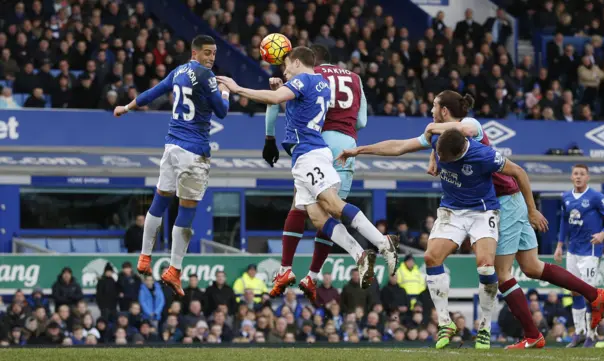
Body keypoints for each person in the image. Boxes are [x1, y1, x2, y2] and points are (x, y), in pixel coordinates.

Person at [337, 102, 548, 350]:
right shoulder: (438, 138)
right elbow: (398, 147)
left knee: (485, 267)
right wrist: (358, 150)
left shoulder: (482, 154)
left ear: (459, 154)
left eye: (444, 158)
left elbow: (520, 172)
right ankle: (445, 323)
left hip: (483, 211)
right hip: (452, 210)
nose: (439, 160)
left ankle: (484, 327)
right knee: (431, 258)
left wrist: (532, 210)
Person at [422, 91, 604, 349]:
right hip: (511, 199)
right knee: (532, 266)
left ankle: (533, 335)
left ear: (445, 111)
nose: (431, 111)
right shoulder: (450, 139)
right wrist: (433, 153)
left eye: (434, 106)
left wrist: (433, 128)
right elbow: (439, 141)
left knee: (501, 274)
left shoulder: (470, 126)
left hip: (504, 202)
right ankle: (594, 295)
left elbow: (460, 128)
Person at [216, 46, 398, 289]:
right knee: (317, 217)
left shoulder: (306, 79)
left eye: (287, 65)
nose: (285, 69)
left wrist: (236, 88)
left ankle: (383, 242)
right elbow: (356, 120)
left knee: (333, 206)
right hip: (318, 151)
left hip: (310, 153)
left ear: (297, 62)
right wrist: (280, 88)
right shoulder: (325, 82)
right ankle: (356, 256)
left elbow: (275, 99)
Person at [113, 35, 230, 296]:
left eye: (214, 53)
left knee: (161, 200)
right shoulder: (206, 76)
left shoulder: (179, 71)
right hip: (193, 152)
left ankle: (145, 256)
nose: (212, 58)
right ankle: (174, 270)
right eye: (208, 53)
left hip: (171, 147)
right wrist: (225, 92)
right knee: (187, 211)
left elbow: (153, 93)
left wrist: (127, 107)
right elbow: (222, 112)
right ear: (195, 52)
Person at [261, 43, 377, 302]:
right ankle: (312, 276)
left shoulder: (310, 78)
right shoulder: (354, 78)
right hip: (346, 146)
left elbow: (281, 103)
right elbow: (363, 122)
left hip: (316, 142)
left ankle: (287, 268)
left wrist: (270, 137)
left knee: (301, 208)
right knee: (329, 210)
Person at [556, 164, 604, 347]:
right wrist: (560, 245)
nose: (578, 177)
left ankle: (592, 335)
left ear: (588, 177)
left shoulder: (596, 197)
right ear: (571, 177)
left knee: (589, 293)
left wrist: (603, 234)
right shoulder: (566, 197)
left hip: (590, 251)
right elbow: (563, 222)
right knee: (574, 290)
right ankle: (580, 332)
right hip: (572, 250)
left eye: (582, 174)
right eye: (575, 173)